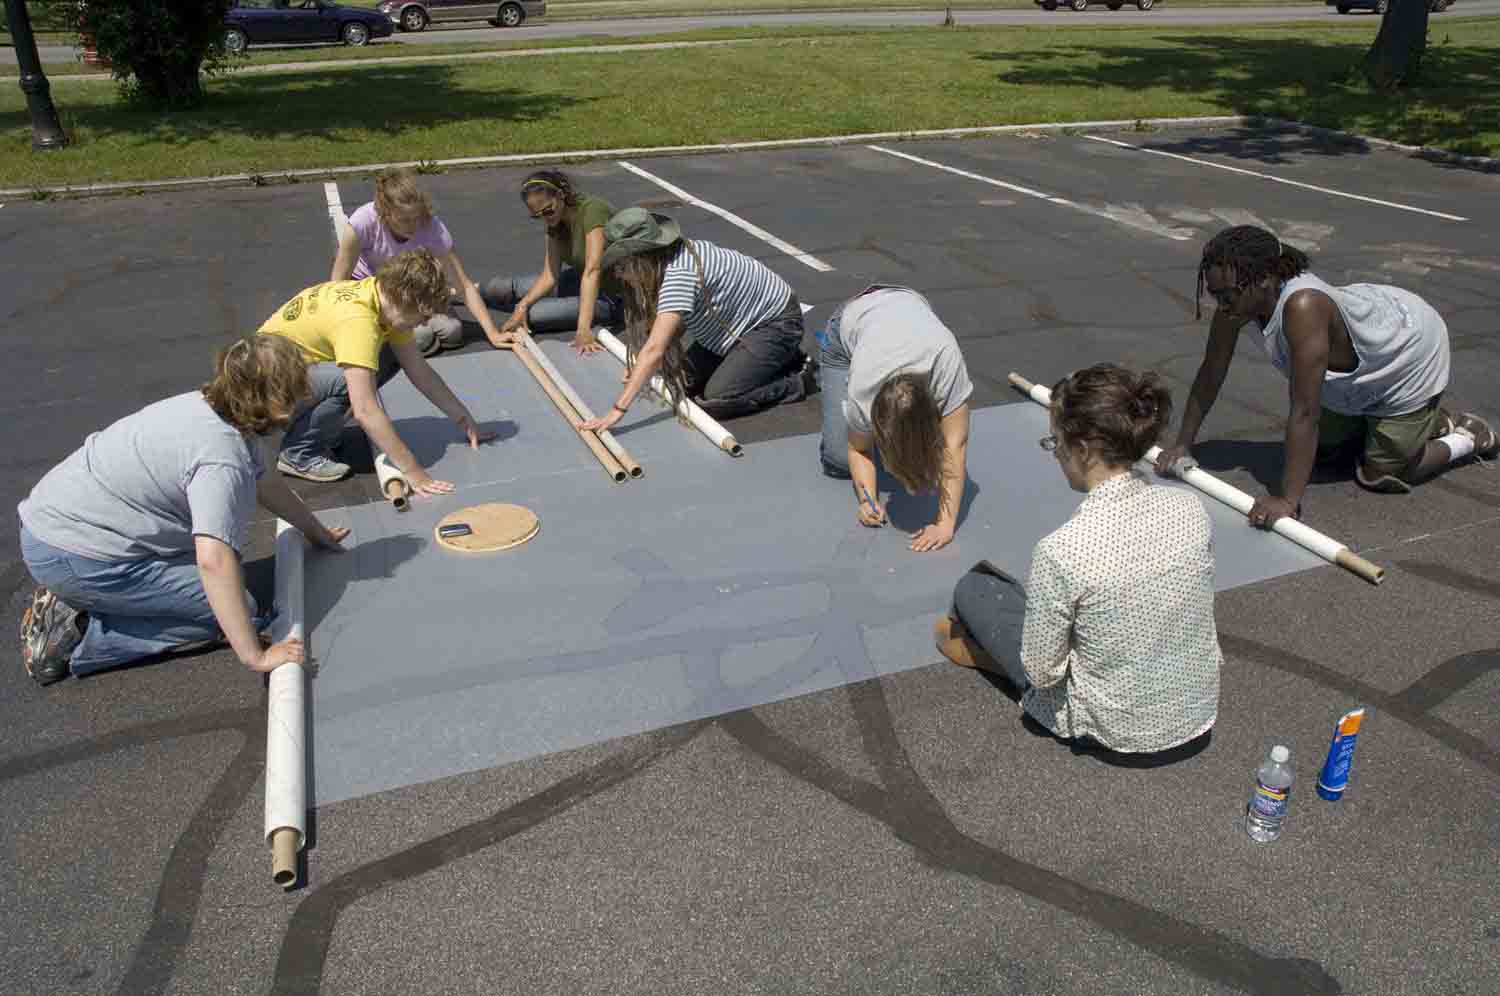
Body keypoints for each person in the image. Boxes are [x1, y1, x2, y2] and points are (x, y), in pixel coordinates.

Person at [18, 336, 349, 686]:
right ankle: (78, 636)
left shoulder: (206, 406)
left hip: (58, 527)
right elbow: (213, 560)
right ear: (277, 401)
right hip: (72, 553)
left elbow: (269, 485)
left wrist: (317, 533)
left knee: (225, 589)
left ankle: (83, 592)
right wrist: (255, 654)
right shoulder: (222, 459)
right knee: (233, 612)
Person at [935, 364, 1222, 754]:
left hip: (1113, 731)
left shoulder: (1063, 550)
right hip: (1195, 714)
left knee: (978, 587)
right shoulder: (1190, 508)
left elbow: (1042, 672)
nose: (1055, 455)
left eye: (1055, 442)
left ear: (1083, 450)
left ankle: (978, 647)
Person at [1156, 225, 1495, 528]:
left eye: (1228, 294)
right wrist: (1183, 443)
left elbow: (1305, 410)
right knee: (1327, 456)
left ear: (1263, 279)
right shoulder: (1238, 305)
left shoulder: (1303, 307)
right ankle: (1421, 422)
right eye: (1215, 295)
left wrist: (1288, 500)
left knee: (1381, 472)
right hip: (1360, 372)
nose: (1221, 303)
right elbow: (1211, 372)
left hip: (1407, 354)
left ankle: (1467, 436)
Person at [260, 248, 495, 487]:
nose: (425, 322)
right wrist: (412, 470)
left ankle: (316, 428)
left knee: (386, 358)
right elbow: (365, 409)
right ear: (404, 298)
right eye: (424, 315)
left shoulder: (378, 295)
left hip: (284, 376)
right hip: (267, 392)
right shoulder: (358, 322)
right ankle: (300, 453)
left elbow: (419, 370)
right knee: (351, 383)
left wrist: (463, 418)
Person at [577, 208, 815, 433]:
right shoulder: (668, 258)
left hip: (774, 324)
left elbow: (655, 350)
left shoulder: (679, 275)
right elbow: (672, 327)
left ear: (642, 258)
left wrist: (617, 411)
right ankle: (764, 359)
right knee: (680, 383)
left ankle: (796, 380)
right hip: (729, 329)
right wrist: (642, 365)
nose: (618, 274)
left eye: (621, 265)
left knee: (718, 399)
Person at [818, 286, 973, 553]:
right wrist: (867, 500)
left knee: (929, 451)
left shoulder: (946, 364)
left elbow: (955, 446)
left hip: (912, 306)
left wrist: (945, 525)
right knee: (838, 459)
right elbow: (859, 448)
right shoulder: (863, 392)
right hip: (850, 323)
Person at [330, 167, 509, 355]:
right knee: (421, 337)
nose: (413, 226)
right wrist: (343, 331)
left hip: (410, 289)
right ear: (385, 213)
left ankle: (411, 324)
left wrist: (493, 333)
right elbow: (337, 284)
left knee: (452, 332)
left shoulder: (432, 227)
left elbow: (463, 285)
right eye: (404, 220)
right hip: (374, 291)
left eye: (416, 217)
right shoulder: (362, 222)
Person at [479, 170, 618, 354]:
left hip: (610, 294)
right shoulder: (555, 222)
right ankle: (452, 293)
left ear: (560, 195)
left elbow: (593, 269)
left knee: (534, 316)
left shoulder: (592, 211)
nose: (545, 218)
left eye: (548, 210)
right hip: (580, 278)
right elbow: (549, 275)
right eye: (538, 215)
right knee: (500, 288)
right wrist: (522, 305)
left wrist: (583, 330)